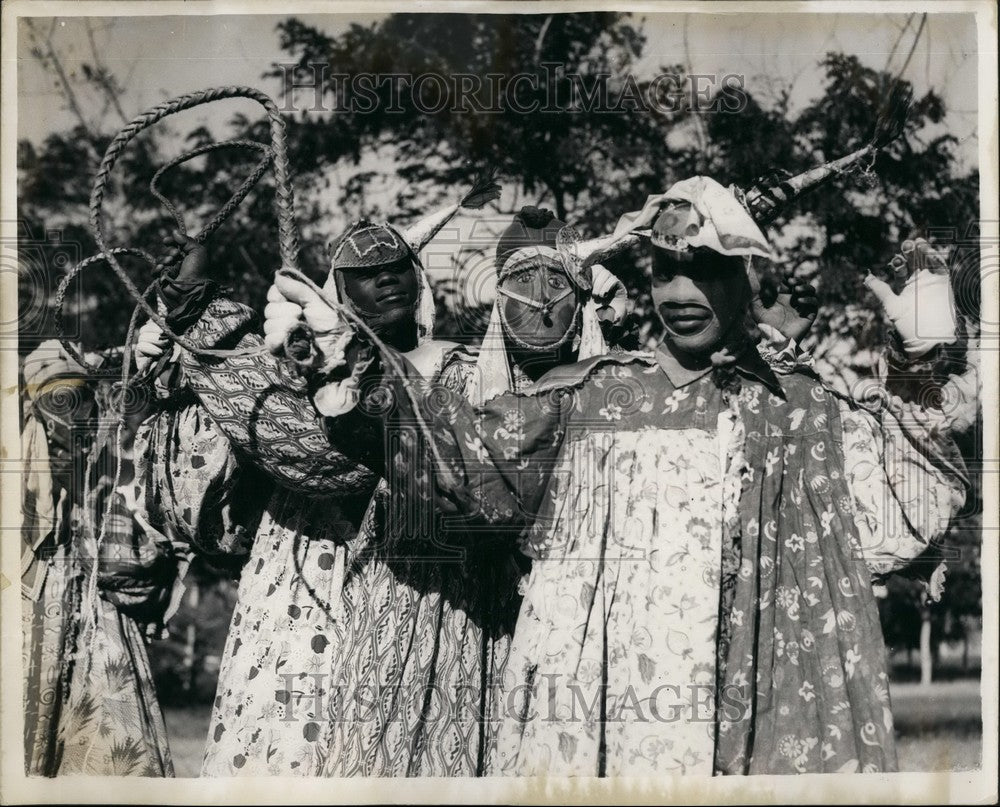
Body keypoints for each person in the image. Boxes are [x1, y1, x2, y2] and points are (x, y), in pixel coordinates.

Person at [270, 176, 969, 776]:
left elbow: (901, 516)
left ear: (747, 278)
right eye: (666, 270)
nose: (682, 292)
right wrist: (342, 370)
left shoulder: (799, 405)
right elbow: (468, 470)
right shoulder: (596, 397)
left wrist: (920, 369)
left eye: (707, 268)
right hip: (615, 734)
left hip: (762, 713)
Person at [21, 342, 176, 776]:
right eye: (54, 405)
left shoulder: (112, 478)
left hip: (101, 632)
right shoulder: (19, 490)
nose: (66, 422)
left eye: (77, 404)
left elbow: (136, 571)